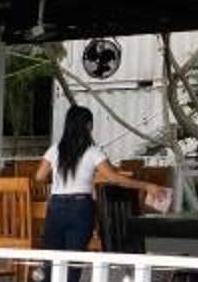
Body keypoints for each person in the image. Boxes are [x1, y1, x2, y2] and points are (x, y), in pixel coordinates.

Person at [38, 103, 162, 253]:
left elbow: (40, 176)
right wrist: (146, 186)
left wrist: (59, 179)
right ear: (88, 125)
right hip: (80, 207)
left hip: (56, 205)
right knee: (74, 258)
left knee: (52, 257)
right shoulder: (93, 152)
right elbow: (114, 178)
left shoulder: (55, 149)